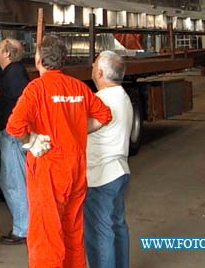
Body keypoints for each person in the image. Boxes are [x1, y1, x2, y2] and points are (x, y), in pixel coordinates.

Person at [7, 34, 112, 268]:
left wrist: (31, 140)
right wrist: (76, 130)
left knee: (46, 236)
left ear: (38, 60)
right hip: (76, 168)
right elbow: (104, 115)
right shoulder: (78, 87)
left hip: (49, 169)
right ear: (63, 60)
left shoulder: (36, 89)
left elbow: (14, 126)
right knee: (73, 231)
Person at [84, 51, 133, 268]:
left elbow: (79, 128)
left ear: (101, 72)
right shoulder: (122, 95)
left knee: (99, 232)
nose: (92, 67)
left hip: (101, 176)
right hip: (119, 171)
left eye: (94, 64)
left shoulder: (101, 101)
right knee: (117, 226)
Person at [0, 38, 30, 245]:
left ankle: (23, 230)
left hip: (13, 136)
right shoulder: (12, 71)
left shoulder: (15, 76)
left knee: (15, 182)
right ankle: (23, 226)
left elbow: (15, 106)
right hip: (10, 135)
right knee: (8, 181)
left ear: (6, 53)